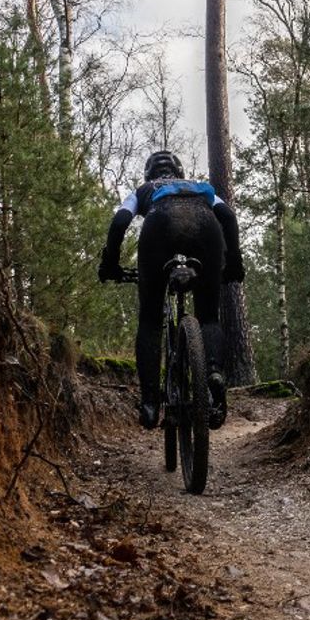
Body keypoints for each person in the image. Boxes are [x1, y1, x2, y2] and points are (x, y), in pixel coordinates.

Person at [98, 150, 246, 431]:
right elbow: (227, 216)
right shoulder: (201, 188)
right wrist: (234, 262)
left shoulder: (144, 189)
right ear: (179, 173)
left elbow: (119, 222)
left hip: (160, 225)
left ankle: (151, 403)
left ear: (149, 174)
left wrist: (110, 265)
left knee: (151, 321)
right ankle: (214, 373)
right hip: (206, 227)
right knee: (209, 317)